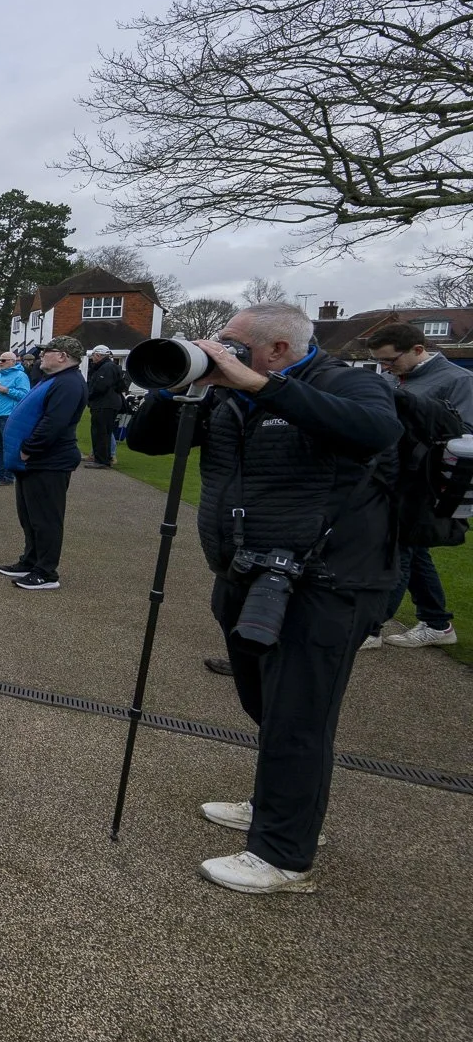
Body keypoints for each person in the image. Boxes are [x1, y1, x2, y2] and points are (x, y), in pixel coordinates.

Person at [127, 303, 402, 896]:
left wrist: (258, 385)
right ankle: (278, 803)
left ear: (278, 349)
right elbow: (144, 443)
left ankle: (283, 855)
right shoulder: (224, 396)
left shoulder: (345, 383)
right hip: (244, 570)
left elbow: (376, 432)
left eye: (233, 342)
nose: (221, 350)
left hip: (322, 579)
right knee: (264, 703)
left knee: (299, 716)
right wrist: (178, 383)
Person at [360, 321, 473, 650]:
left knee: (398, 551)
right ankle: (437, 622)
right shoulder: (393, 378)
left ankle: (369, 629)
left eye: (389, 360)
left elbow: (465, 434)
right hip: (390, 477)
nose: (384, 367)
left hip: (424, 484)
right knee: (414, 549)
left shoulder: (458, 380)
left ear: (418, 350)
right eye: (379, 362)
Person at [0, 336, 87, 592]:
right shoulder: (54, 379)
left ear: (63, 356)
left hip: (49, 462)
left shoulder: (69, 384)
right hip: (35, 463)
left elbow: (54, 422)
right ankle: (30, 561)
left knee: (46, 518)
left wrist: (28, 449)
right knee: (30, 516)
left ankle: (46, 572)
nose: (40, 356)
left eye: (47, 351)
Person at [0, 349, 32, 485]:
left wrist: (6, 390)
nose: (0, 362)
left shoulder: (20, 376)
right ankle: (0, 473)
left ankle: (8, 477)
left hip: (9, 416)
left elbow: (25, 395)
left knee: (9, 448)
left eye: (3, 360)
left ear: (13, 362)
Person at [84, 345, 128, 467]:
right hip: (109, 403)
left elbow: (100, 386)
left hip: (104, 404)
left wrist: (88, 396)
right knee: (105, 432)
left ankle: (101, 460)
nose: (93, 358)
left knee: (100, 432)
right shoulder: (110, 366)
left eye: (94, 356)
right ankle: (104, 458)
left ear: (98, 355)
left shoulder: (106, 367)